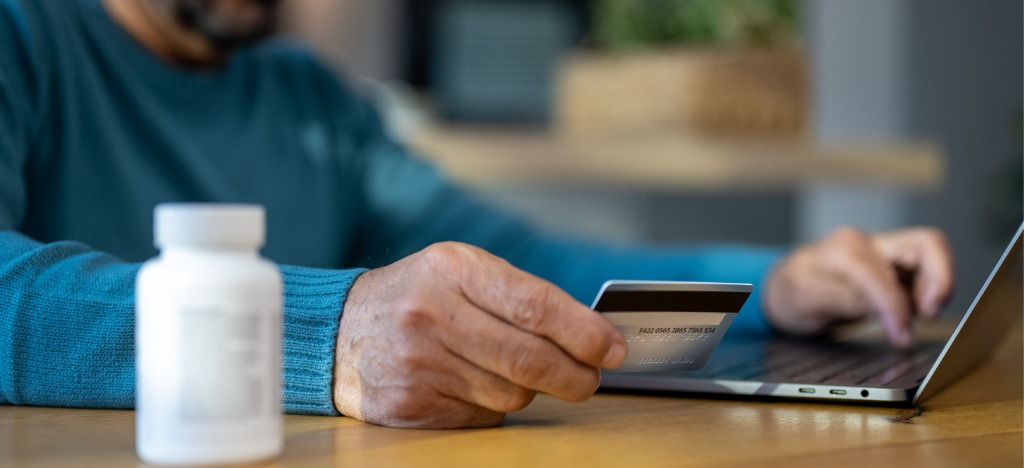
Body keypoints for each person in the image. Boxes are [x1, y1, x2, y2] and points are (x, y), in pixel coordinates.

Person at [0, 0, 954, 429]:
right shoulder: (24, 34)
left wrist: (772, 290)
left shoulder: (306, 97)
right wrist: (328, 334)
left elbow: (529, 263)